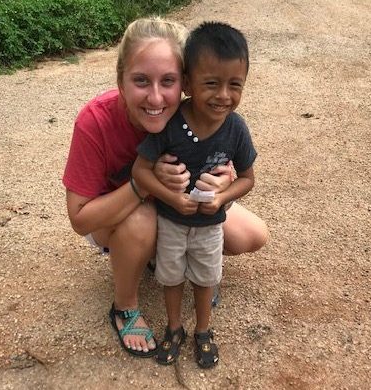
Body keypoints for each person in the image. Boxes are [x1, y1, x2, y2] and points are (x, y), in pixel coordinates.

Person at [63, 17, 269, 359]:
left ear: (185, 83)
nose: (155, 97)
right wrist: (147, 184)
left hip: (180, 212)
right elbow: (81, 220)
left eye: (168, 81)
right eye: (141, 81)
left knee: (251, 235)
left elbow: (225, 159)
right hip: (116, 218)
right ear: (120, 80)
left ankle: (163, 259)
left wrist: (223, 180)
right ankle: (124, 306)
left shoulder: (197, 116)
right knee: (142, 220)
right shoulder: (95, 121)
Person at [132, 21, 257, 368]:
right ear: (187, 83)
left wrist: (223, 197)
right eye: (211, 84)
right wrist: (171, 198)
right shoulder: (171, 124)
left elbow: (247, 178)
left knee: (205, 280)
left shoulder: (236, 128)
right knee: (170, 278)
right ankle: (175, 328)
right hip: (171, 222)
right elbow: (140, 170)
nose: (224, 96)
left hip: (211, 224)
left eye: (235, 85)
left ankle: (203, 330)